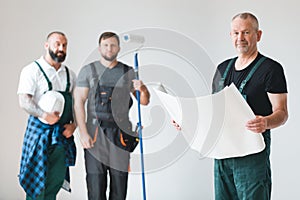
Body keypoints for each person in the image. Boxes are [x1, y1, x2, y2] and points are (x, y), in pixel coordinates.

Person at [172, 12, 288, 199]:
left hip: (252, 155)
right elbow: (212, 113)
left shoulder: (271, 69)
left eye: (246, 32)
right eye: (235, 33)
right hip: (222, 154)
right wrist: (186, 121)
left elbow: (282, 113)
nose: (240, 38)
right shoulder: (222, 69)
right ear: (231, 36)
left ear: (258, 35)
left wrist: (265, 122)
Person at [74, 31, 150, 200]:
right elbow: (78, 102)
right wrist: (83, 132)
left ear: (118, 48)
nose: (109, 48)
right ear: (99, 48)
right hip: (95, 134)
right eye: (106, 45)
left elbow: (144, 101)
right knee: (95, 185)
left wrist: (142, 88)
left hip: (120, 134)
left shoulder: (128, 71)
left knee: (119, 186)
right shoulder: (89, 70)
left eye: (113, 45)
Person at [17, 31, 77, 199]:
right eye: (57, 44)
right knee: (36, 184)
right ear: (46, 45)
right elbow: (24, 101)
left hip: (61, 137)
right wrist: (44, 114)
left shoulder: (70, 75)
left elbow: (77, 105)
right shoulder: (32, 70)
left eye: (64, 45)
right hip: (39, 135)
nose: (61, 48)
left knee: (54, 183)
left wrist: (74, 125)